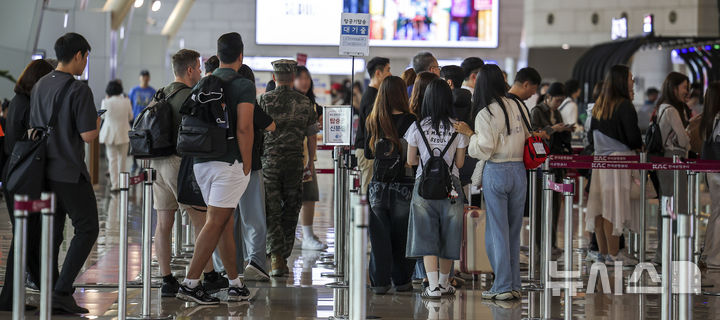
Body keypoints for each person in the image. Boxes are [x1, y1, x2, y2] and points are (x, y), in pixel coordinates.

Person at [177, 32, 254, 304]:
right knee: (215, 222)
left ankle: (235, 283)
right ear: (241, 56)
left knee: (224, 222)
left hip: (201, 162)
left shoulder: (205, 82)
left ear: (218, 56)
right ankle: (190, 283)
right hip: (228, 163)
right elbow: (245, 127)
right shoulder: (243, 85)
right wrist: (246, 163)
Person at [28, 32, 99, 314]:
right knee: (88, 226)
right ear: (79, 55)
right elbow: (88, 135)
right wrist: (96, 121)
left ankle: (50, 286)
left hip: (42, 169)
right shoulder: (79, 89)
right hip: (68, 170)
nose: (85, 64)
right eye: (86, 58)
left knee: (53, 231)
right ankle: (61, 290)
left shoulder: (40, 84)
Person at [151, 49, 228, 297]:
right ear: (190, 70)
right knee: (201, 220)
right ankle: (208, 275)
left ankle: (166, 279)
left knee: (163, 223)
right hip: (180, 164)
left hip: (158, 164)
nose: (200, 71)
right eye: (198, 66)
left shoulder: (161, 92)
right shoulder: (190, 95)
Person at [454, 64, 534, 301]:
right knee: (512, 231)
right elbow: (529, 136)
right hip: (519, 171)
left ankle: (502, 286)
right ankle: (515, 285)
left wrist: (470, 135)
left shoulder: (485, 113)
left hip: (497, 171)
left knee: (496, 232)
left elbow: (485, 149)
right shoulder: (519, 105)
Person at [211, 63, 275, 281]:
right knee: (253, 216)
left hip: (223, 165)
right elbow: (269, 126)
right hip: (249, 166)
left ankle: (228, 266)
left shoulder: (219, 99)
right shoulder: (247, 100)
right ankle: (255, 262)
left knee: (228, 218)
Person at [0, 59, 54, 312]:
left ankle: (37, 290)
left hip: (16, 176)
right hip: (24, 178)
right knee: (24, 238)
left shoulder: (18, 102)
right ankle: (9, 297)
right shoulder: (28, 104)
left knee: (27, 238)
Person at [406, 78, 468, 299]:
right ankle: (444, 284)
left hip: (424, 187)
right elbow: (460, 164)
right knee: (449, 235)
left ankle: (432, 287)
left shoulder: (416, 127)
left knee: (426, 235)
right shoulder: (458, 127)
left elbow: (411, 161)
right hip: (451, 188)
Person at [260, 59, 318, 277]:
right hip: (294, 163)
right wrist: (310, 162)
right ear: (293, 78)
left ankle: (275, 256)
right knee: (292, 208)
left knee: (272, 208)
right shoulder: (304, 103)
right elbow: (312, 136)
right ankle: (283, 255)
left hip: (270, 163)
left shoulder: (262, 101)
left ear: (274, 78)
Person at [364, 75, 417, 294]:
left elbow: (368, 153)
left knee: (379, 238)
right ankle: (402, 281)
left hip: (378, 186)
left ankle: (379, 283)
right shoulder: (412, 120)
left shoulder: (373, 119)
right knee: (402, 236)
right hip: (404, 184)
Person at [585, 65, 643, 265]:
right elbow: (633, 137)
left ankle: (603, 252)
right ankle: (614, 253)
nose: (632, 80)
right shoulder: (624, 105)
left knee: (601, 208)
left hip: (600, 161)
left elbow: (590, 135)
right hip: (619, 162)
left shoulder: (599, 104)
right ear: (621, 80)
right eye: (630, 77)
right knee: (614, 207)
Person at [653, 71, 692, 265]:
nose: (687, 91)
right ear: (674, 88)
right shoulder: (671, 111)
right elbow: (683, 140)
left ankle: (664, 251)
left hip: (665, 162)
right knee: (676, 206)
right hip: (674, 161)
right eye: (685, 87)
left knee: (666, 206)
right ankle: (673, 251)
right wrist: (689, 139)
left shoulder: (662, 108)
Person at [529, 82, 573, 254]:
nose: (559, 103)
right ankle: (540, 243)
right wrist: (552, 128)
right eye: (557, 100)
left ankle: (552, 242)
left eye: (562, 100)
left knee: (555, 204)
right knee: (541, 205)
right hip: (542, 164)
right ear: (548, 97)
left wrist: (565, 130)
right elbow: (534, 133)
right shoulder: (538, 111)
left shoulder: (558, 112)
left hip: (556, 162)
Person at [294, 65, 327, 250]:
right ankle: (294, 237)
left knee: (309, 196)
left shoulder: (314, 106)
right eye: (300, 78)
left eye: (307, 78)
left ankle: (307, 235)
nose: (304, 81)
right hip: (291, 158)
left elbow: (315, 133)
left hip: (307, 159)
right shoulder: (290, 103)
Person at [355, 57, 391, 195]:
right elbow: (374, 125)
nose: (390, 74)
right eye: (388, 70)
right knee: (368, 192)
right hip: (367, 151)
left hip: (368, 149)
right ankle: (365, 217)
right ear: (378, 73)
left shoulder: (374, 94)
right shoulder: (372, 96)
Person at [699, 82, 720, 268]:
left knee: (715, 212)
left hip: (710, 169)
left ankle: (709, 252)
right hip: (718, 169)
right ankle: (715, 256)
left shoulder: (707, 118)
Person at [98, 80, 133, 191]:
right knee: (122, 159)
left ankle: (115, 185)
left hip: (110, 134)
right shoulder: (126, 101)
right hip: (123, 133)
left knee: (112, 160)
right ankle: (123, 183)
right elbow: (131, 117)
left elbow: (102, 117)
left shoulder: (105, 102)